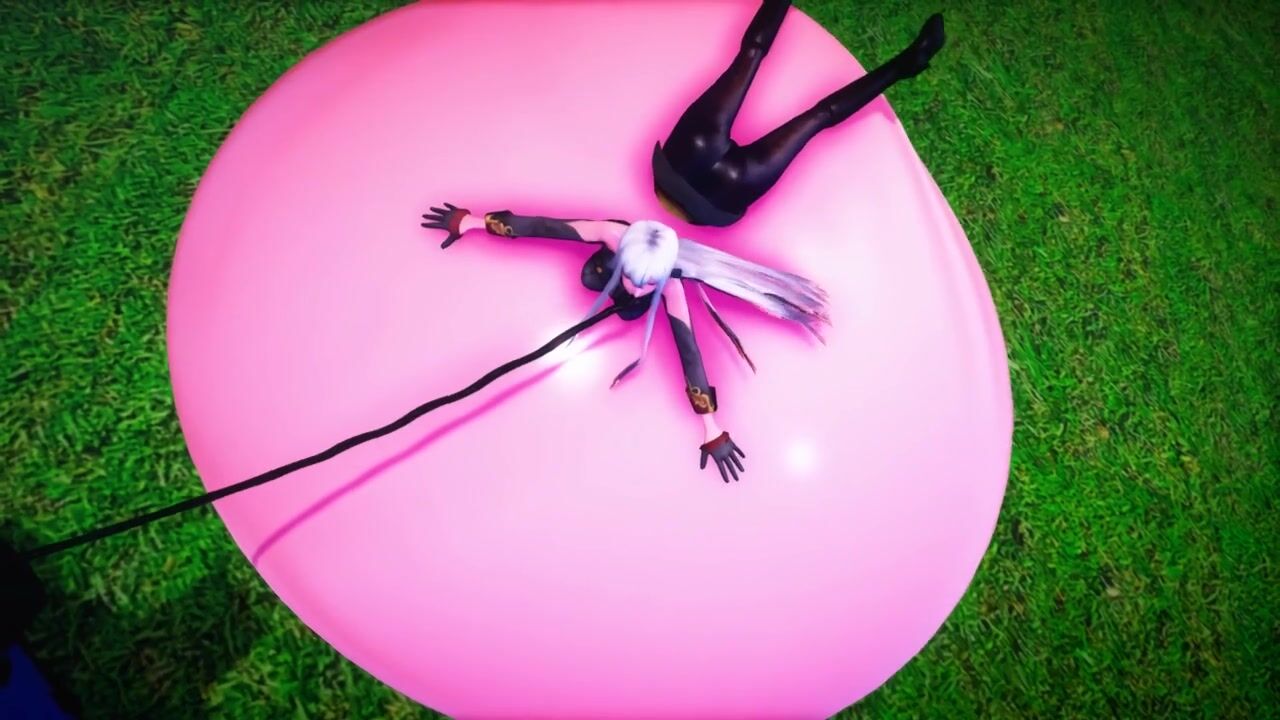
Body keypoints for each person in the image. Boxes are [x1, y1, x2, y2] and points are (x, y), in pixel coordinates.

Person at [420, 205, 828, 482]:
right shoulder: (611, 234)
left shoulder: (672, 285)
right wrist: (471, 221)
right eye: (633, 277)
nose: (635, 287)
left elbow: (690, 353)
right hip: (606, 268)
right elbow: (543, 226)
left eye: (646, 282)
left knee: (632, 308)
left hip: (638, 288)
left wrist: (710, 425)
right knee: (592, 277)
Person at [653, 0, 945, 226]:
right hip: (690, 169)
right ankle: (909, 62)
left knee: (819, 116)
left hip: (721, 197)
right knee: (751, 56)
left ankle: (907, 63)